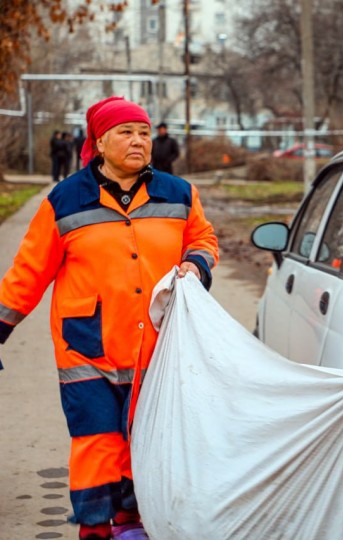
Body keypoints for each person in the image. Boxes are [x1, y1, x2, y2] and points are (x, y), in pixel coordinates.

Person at [0, 96, 218, 540]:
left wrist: (196, 262)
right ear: (99, 142)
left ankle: (134, 522)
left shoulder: (178, 193)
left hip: (157, 348)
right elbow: (28, 272)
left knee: (148, 438)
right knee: (97, 441)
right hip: (87, 349)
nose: (138, 141)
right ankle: (95, 528)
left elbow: (203, 238)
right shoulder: (65, 200)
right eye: (126, 132)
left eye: (143, 132)